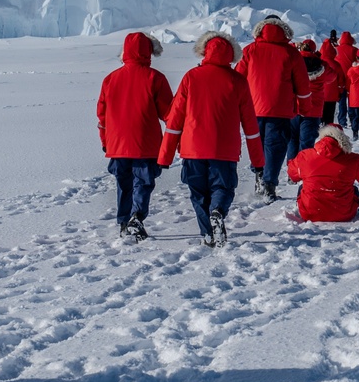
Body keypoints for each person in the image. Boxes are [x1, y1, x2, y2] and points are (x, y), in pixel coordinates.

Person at [159, 32, 265, 247]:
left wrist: (165, 156)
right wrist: (258, 160)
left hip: (192, 148)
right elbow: (250, 124)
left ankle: (207, 233)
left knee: (198, 193)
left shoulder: (191, 76)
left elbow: (175, 118)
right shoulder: (238, 80)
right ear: (232, 54)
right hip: (224, 149)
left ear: (203, 51)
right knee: (223, 188)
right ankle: (218, 210)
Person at [97, 32, 174, 240]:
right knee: (143, 182)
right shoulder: (155, 78)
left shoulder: (110, 79)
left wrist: (106, 142)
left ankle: (124, 221)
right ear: (149, 52)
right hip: (145, 144)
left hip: (117, 144)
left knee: (124, 183)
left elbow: (102, 117)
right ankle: (137, 216)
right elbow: (168, 113)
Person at [235, 15, 311, 204]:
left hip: (253, 108)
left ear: (260, 30)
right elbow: (302, 84)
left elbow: (238, 79)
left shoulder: (250, 51)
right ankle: (269, 184)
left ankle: (259, 175)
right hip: (280, 109)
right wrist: (305, 108)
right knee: (275, 147)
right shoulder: (291, 53)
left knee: (257, 145)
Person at [287, 124, 359, 222]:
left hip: (309, 214)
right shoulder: (353, 159)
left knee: (303, 187)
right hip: (344, 214)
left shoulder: (305, 156)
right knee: (354, 189)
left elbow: (292, 175)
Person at [288, 39, 330, 162]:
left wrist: (294, 46)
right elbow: (332, 76)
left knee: (292, 140)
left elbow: (284, 49)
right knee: (306, 142)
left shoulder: (292, 61)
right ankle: (304, 168)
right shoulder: (322, 65)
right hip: (313, 110)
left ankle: (292, 169)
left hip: (294, 107)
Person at [319, 38, 347, 125]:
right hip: (332, 96)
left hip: (319, 95)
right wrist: (340, 92)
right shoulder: (336, 65)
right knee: (329, 117)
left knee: (319, 115)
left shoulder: (317, 63)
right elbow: (341, 81)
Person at [334, 31, 359, 126]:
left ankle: (342, 121)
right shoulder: (355, 50)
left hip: (339, 79)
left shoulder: (336, 49)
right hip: (351, 79)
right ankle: (353, 120)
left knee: (341, 101)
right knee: (352, 101)